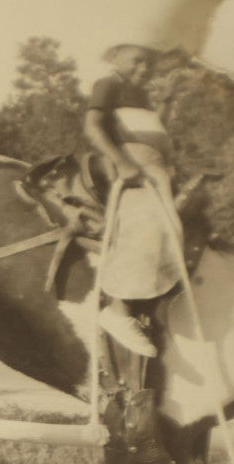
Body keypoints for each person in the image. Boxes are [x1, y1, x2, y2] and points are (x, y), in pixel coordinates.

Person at [84, 43, 182, 357]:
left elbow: (152, 134)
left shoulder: (142, 97)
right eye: (136, 62)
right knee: (146, 226)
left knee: (175, 229)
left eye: (147, 65)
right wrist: (121, 162)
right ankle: (118, 310)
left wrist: (165, 107)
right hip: (133, 168)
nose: (143, 69)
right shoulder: (109, 83)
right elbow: (93, 126)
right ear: (114, 58)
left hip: (155, 170)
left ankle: (154, 306)